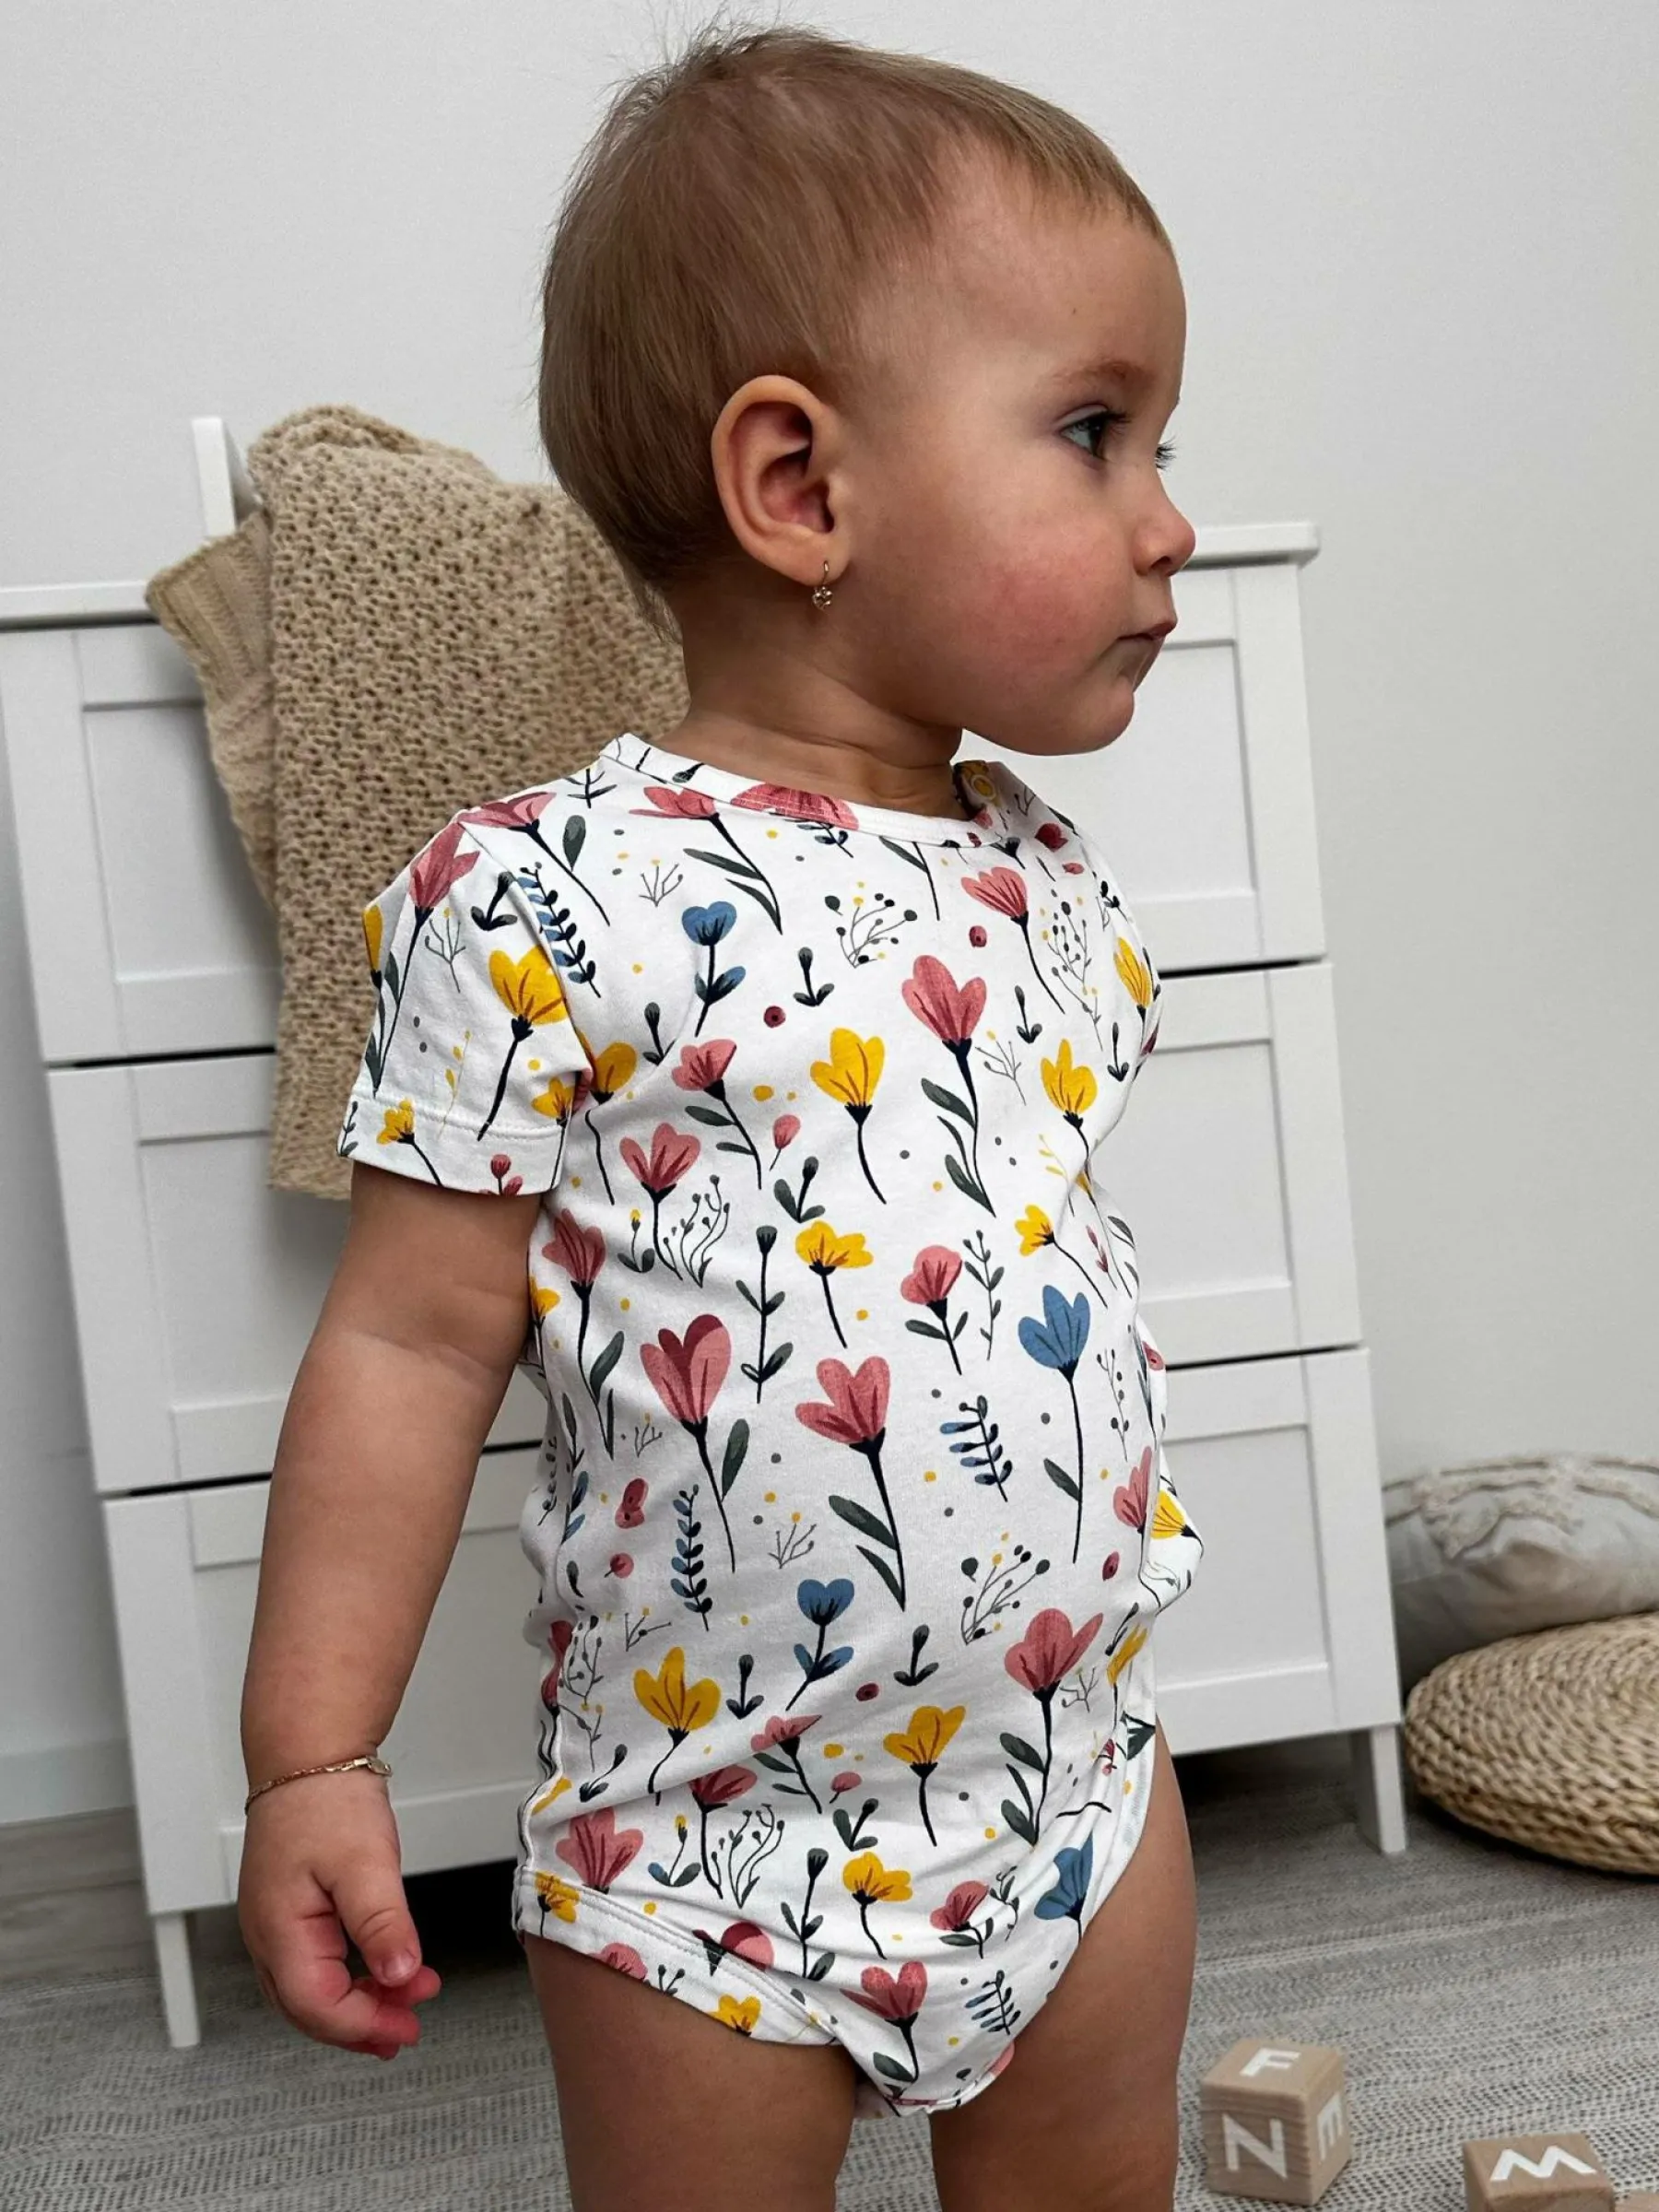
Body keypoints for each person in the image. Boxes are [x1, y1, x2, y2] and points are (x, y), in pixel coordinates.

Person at [238, 17, 1207, 2208]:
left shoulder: (1048, 883)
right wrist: (310, 1754)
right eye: (1094, 432)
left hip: (1078, 1790)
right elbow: (406, 1345)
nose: (1168, 520)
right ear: (800, 487)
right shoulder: (544, 899)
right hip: (704, 1857)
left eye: (1161, 440)